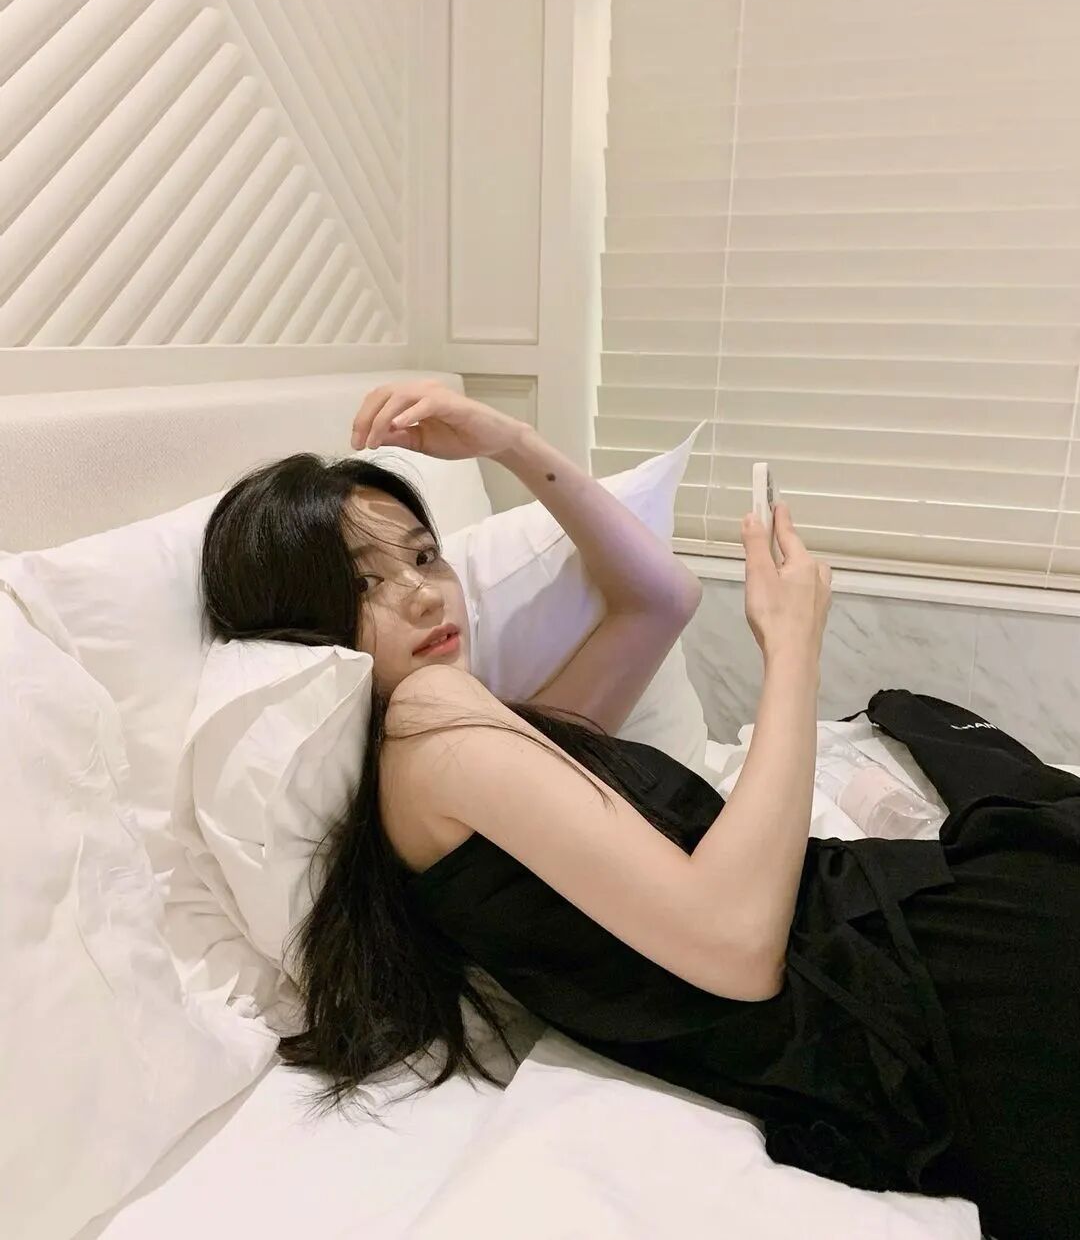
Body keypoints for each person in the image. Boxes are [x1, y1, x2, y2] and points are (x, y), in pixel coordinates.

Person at [200, 379, 1079, 1240]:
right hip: (887, 992)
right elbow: (737, 946)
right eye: (363, 585)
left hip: (886, 954)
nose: (423, 593)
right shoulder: (430, 726)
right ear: (302, 624)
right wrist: (792, 653)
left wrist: (511, 443)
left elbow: (659, 600)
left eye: (425, 557)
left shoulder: (474, 744)